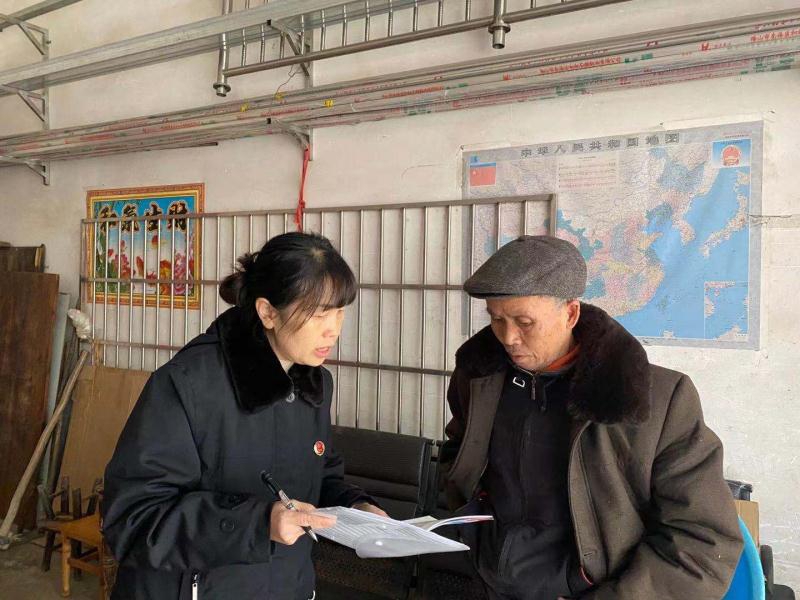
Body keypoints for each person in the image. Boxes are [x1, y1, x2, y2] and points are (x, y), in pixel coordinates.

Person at [440, 235, 743, 600]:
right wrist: (467, 528)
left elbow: (702, 541)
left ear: (570, 314)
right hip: (487, 581)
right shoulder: (479, 379)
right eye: (497, 319)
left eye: (524, 321)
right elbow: (458, 453)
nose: (508, 337)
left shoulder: (659, 400)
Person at [101, 232, 386, 600]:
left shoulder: (314, 383)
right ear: (268, 312)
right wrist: (257, 524)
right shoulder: (188, 384)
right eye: (318, 314)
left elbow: (321, 476)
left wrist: (356, 507)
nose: (334, 329)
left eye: (340, 311)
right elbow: (133, 518)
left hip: (289, 587)